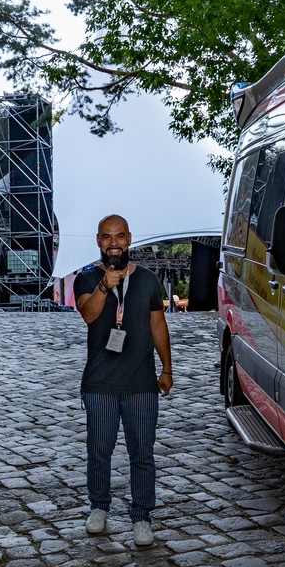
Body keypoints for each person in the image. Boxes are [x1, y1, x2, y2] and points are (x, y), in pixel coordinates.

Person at [74, 214, 173, 547]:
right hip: (100, 383)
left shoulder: (147, 279)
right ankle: (99, 507)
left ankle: (141, 515)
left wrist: (167, 369)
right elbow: (89, 314)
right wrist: (105, 286)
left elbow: (158, 325)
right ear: (98, 241)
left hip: (141, 383)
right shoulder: (87, 278)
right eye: (106, 237)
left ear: (129, 239)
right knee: (99, 451)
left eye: (119, 236)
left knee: (142, 453)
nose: (113, 243)